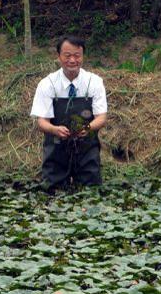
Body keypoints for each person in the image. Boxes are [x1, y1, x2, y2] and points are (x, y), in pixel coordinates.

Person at [30, 35, 107, 189]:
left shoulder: (94, 82)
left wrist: (87, 128)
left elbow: (101, 117)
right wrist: (54, 129)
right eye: (67, 55)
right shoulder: (47, 84)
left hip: (87, 150)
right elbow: (42, 121)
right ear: (59, 57)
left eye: (77, 56)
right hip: (56, 150)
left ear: (83, 56)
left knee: (90, 193)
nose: (72, 60)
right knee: (52, 192)